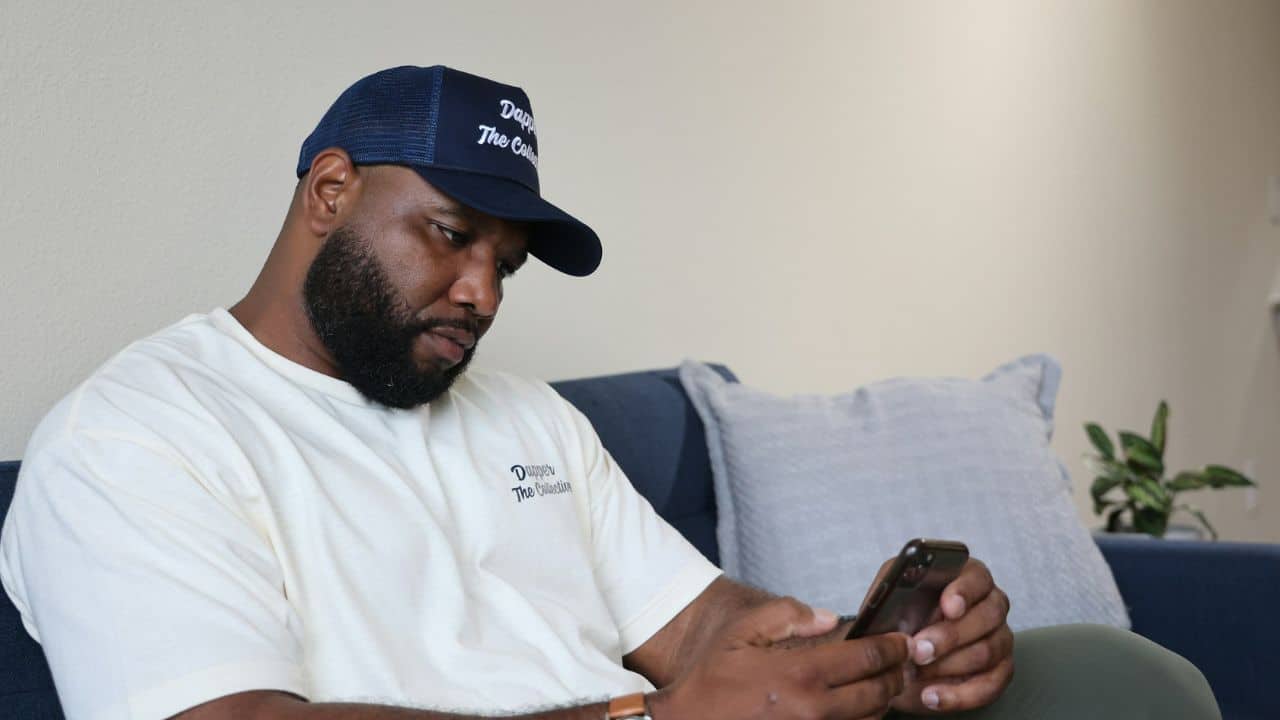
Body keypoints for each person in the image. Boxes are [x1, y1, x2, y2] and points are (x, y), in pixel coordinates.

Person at [0, 65, 1218, 720]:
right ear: (328, 192)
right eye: (449, 233)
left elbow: (695, 628)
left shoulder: (523, 417)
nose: (479, 292)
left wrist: (861, 650)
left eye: (503, 264)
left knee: (1127, 680)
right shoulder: (137, 435)